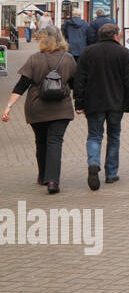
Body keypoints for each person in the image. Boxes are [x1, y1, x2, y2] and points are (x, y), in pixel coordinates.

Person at [2, 26, 77, 193]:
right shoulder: (69, 59)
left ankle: (43, 175)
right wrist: (81, 105)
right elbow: (76, 85)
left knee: (41, 142)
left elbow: (21, 85)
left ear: (42, 40)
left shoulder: (34, 59)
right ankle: (53, 181)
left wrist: (8, 108)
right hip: (61, 109)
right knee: (55, 142)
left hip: (37, 108)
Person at [72, 23, 129, 190]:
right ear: (116, 35)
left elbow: (79, 80)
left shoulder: (87, 52)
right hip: (117, 103)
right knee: (114, 136)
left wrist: (79, 102)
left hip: (93, 102)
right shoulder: (124, 53)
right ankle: (111, 174)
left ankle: (93, 163)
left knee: (94, 136)